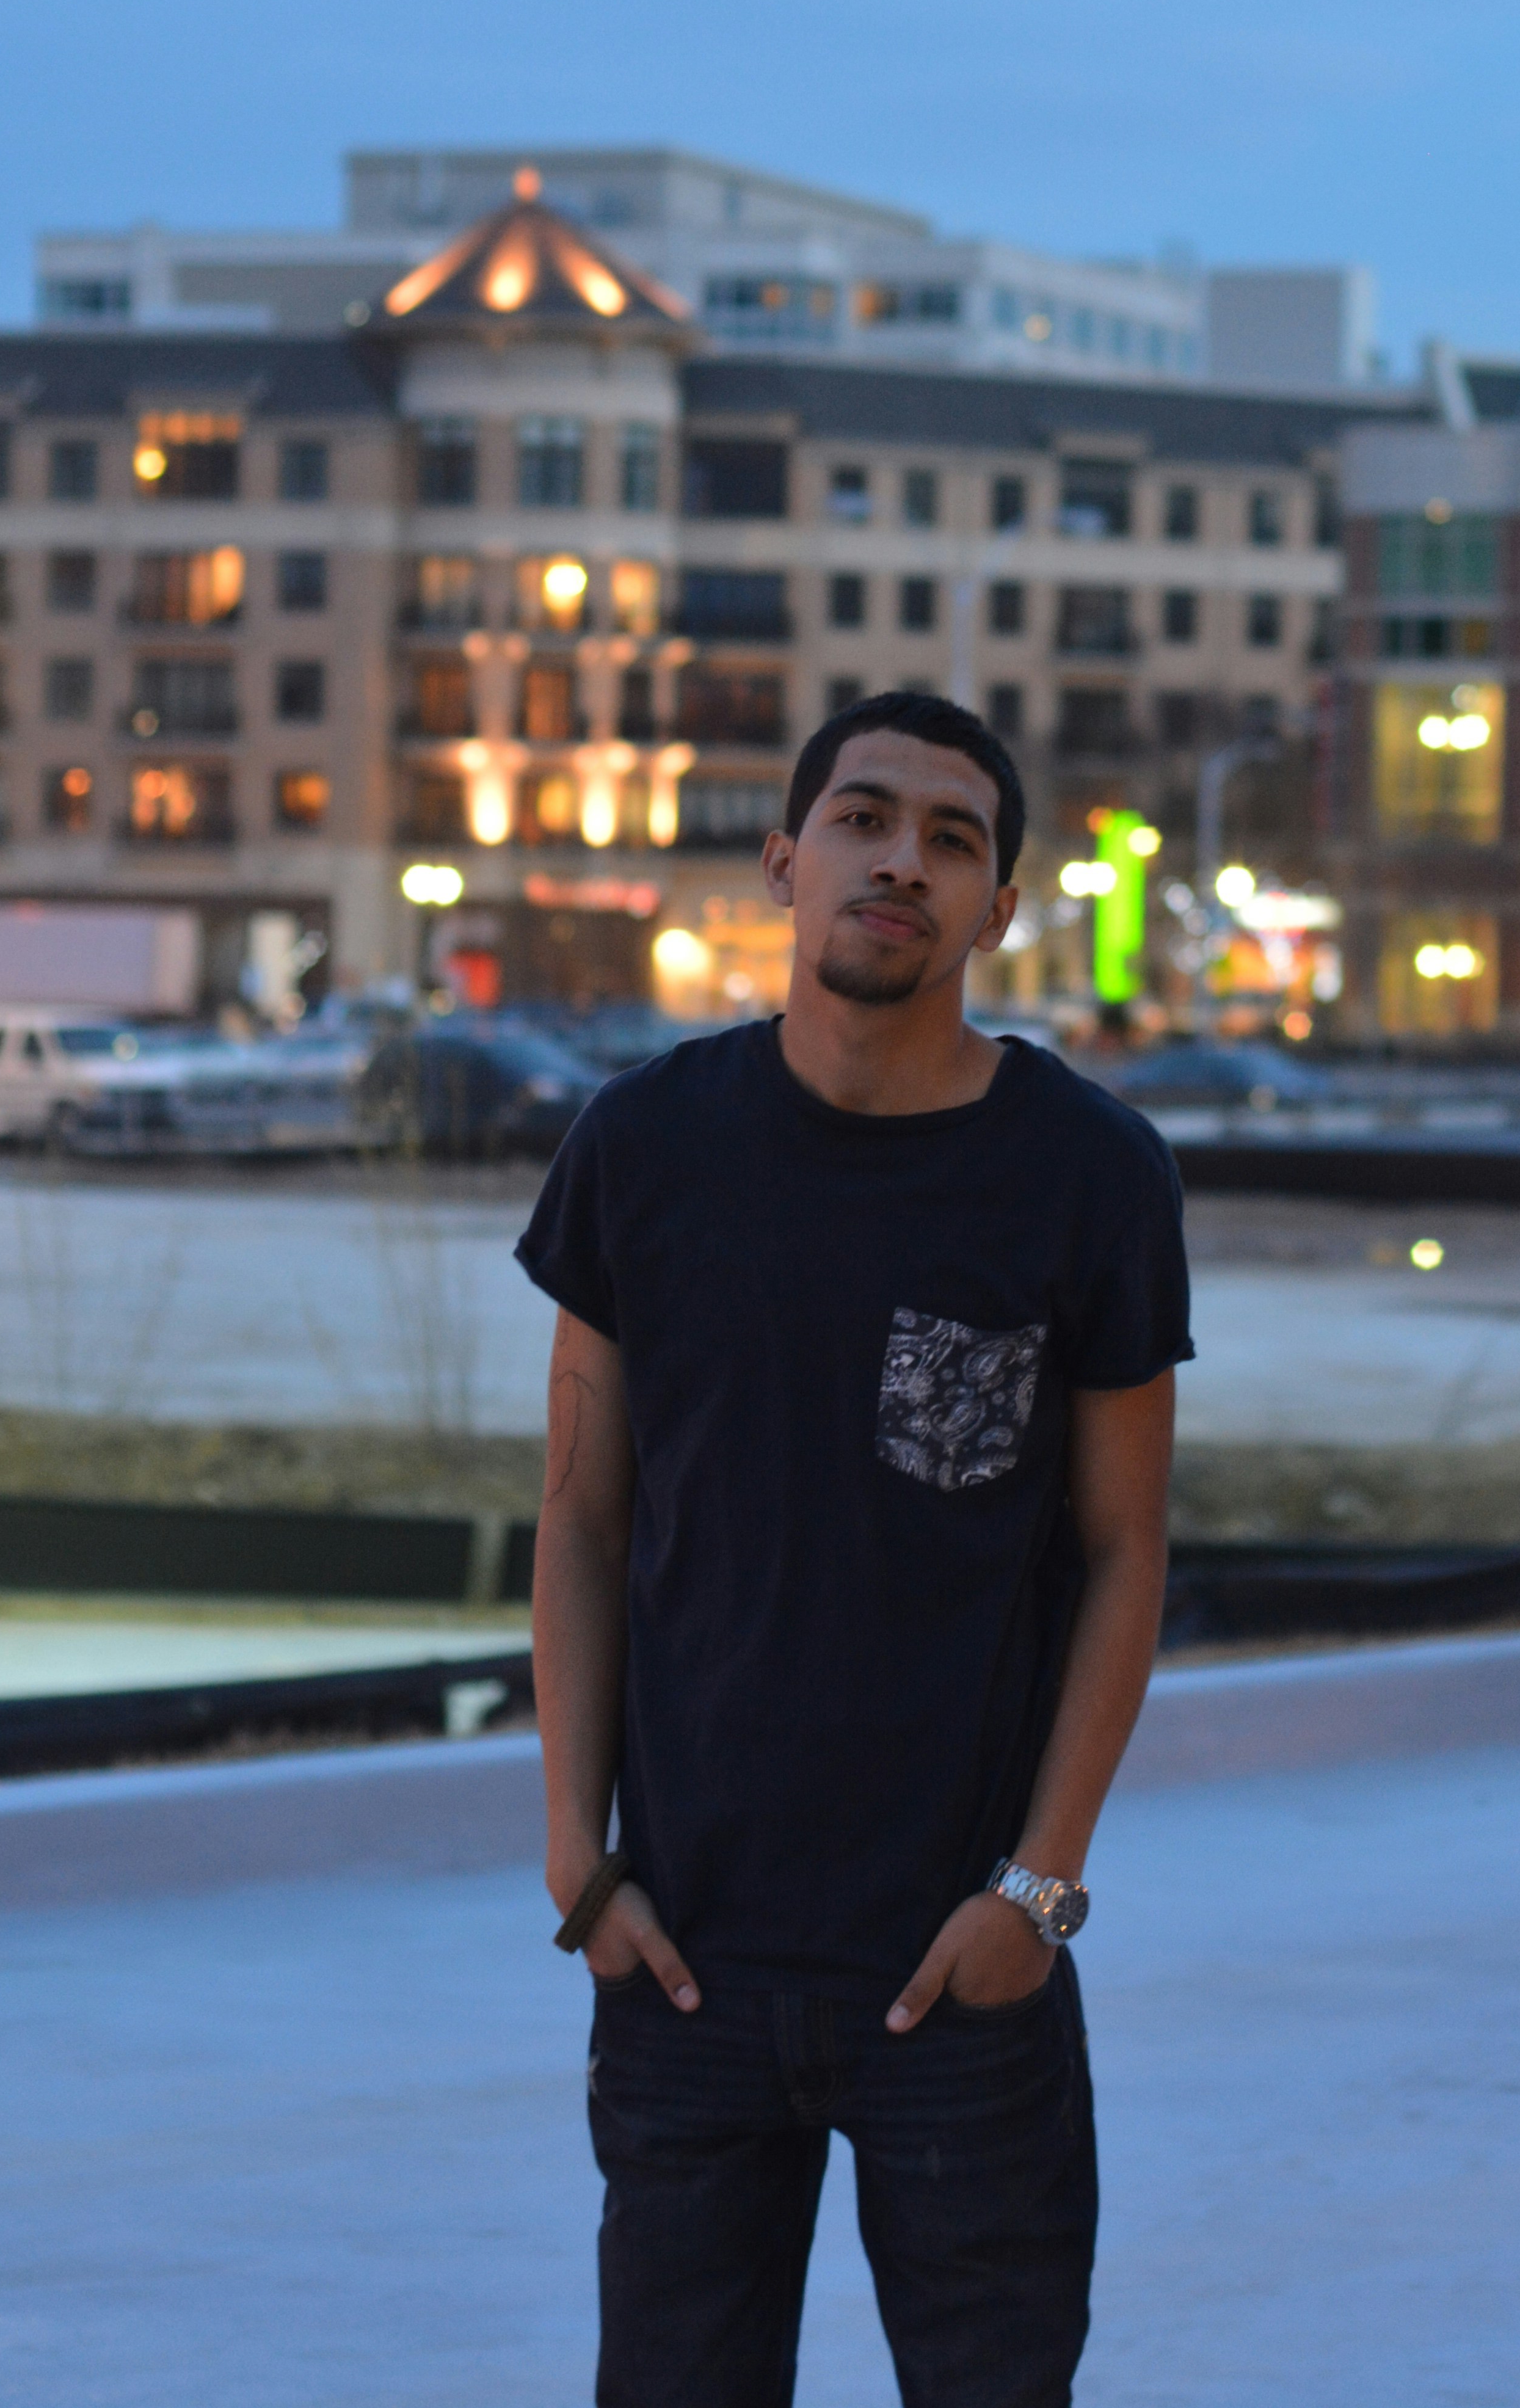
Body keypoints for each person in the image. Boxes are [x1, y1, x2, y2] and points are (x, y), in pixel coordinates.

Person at [519, 688, 1191, 2408]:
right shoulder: (643, 1147)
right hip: (686, 1964)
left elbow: (1127, 1552)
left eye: (951, 841)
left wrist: (1036, 1893)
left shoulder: (1091, 1177)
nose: (903, 862)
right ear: (783, 861)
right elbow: (583, 1516)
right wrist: (579, 1859)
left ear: (999, 908)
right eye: (864, 819)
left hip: (960, 1976)